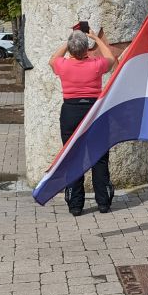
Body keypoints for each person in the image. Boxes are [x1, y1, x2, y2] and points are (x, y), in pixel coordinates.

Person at [49, 28, 118, 215]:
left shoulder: (63, 65)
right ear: (87, 49)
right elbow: (110, 58)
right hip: (94, 111)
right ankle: (103, 202)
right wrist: (95, 38)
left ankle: (75, 205)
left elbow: (52, 59)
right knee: (99, 157)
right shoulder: (96, 64)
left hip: (70, 112)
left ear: (70, 49)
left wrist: (69, 42)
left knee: (72, 157)